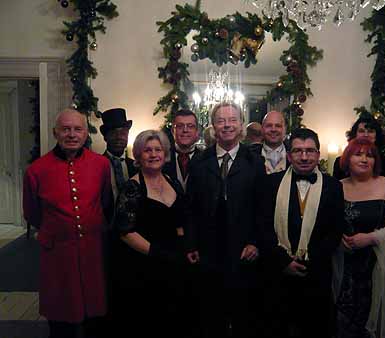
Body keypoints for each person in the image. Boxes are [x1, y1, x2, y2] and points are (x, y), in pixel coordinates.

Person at [23, 109, 112, 338]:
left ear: (85, 134)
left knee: (96, 318)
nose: (71, 134)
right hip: (58, 258)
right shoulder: (36, 170)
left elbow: (105, 203)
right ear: (55, 133)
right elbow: (32, 213)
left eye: (77, 129)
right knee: (61, 321)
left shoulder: (101, 165)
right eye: (66, 129)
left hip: (93, 254)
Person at [185, 102, 266, 338]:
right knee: (211, 317)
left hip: (243, 252)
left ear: (241, 124)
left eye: (232, 120)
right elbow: (190, 207)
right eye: (221, 120)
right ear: (213, 126)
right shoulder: (200, 162)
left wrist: (255, 242)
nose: (227, 125)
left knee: (243, 317)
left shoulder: (254, 162)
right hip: (208, 253)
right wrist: (191, 243)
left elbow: (263, 208)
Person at [260, 127, 345, 338]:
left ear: (318, 154)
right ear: (289, 155)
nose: (304, 157)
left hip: (316, 276)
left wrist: (310, 261)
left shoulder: (333, 186)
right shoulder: (270, 184)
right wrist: (284, 262)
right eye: (298, 151)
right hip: (278, 274)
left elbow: (335, 231)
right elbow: (262, 227)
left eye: (310, 151)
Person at [110, 130, 189, 337]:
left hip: (173, 263)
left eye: (158, 150)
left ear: (165, 154)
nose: (153, 155)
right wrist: (156, 253)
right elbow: (125, 232)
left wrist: (182, 247)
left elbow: (179, 219)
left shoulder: (172, 182)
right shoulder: (132, 188)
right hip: (143, 265)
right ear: (138, 155)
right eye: (147, 150)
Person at [334, 138, 385, 338]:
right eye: (358, 154)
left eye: (369, 156)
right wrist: (337, 239)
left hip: (377, 267)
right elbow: (325, 223)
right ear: (347, 159)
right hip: (343, 268)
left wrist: (371, 238)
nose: (364, 159)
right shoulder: (335, 187)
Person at [333, 114, 385, 181]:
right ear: (355, 135)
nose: (366, 135)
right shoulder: (340, 162)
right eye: (361, 131)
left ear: (377, 136)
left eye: (370, 131)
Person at [100, 107, 138, 200]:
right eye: (113, 133)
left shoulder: (136, 166)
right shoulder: (97, 166)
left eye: (123, 133)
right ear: (105, 137)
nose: (119, 137)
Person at [163, 109, 202, 191]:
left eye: (190, 126)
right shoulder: (161, 159)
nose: (185, 130)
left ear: (197, 132)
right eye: (180, 126)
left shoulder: (206, 159)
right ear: (172, 131)